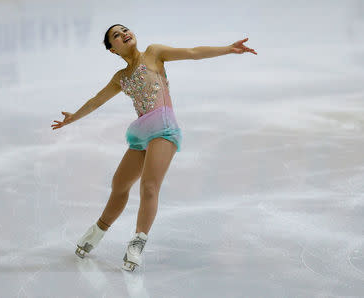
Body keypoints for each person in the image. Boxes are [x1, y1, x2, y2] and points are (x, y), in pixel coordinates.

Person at [51, 24, 257, 271]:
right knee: (119, 184)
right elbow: (97, 101)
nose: (124, 34)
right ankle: (97, 231)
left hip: (164, 128)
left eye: (125, 30)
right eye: (116, 35)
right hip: (142, 133)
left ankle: (137, 242)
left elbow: (192, 52)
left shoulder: (154, 53)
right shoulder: (120, 77)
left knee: (149, 185)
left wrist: (228, 49)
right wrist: (73, 117)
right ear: (112, 50)